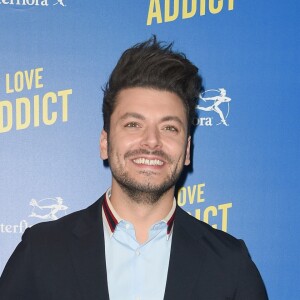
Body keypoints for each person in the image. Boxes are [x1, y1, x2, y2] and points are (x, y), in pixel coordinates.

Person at [0, 36, 268, 300]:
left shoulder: (230, 264)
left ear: (187, 150)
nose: (152, 141)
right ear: (105, 142)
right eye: (133, 124)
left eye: (169, 128)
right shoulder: (42, 251)